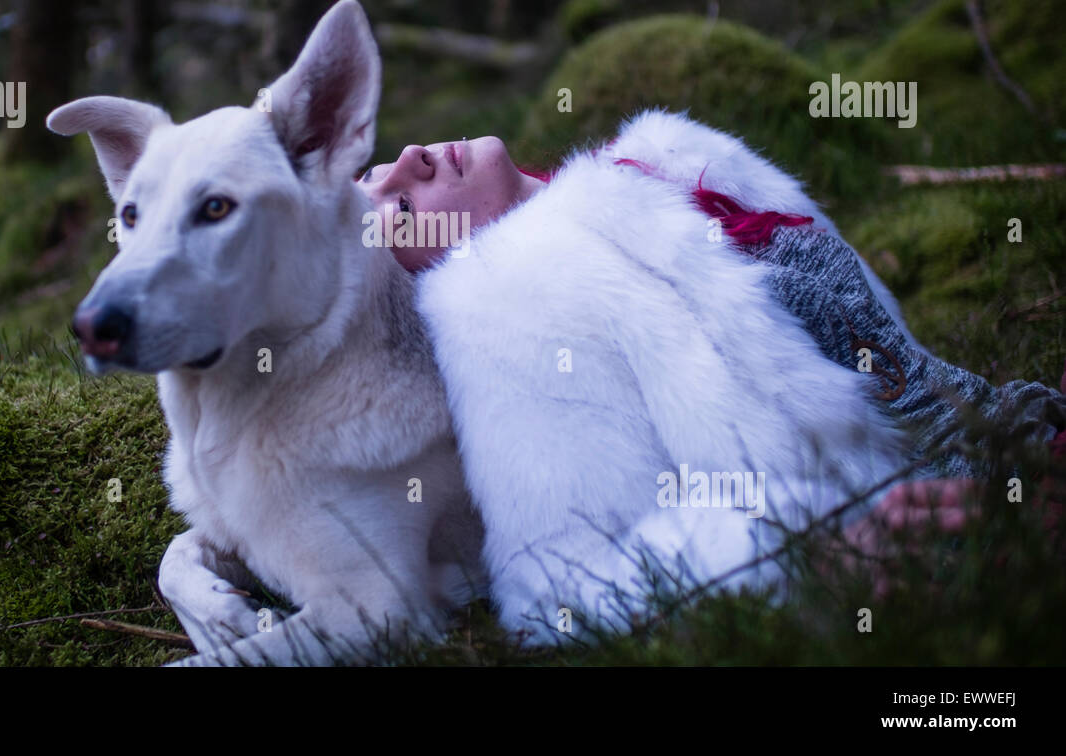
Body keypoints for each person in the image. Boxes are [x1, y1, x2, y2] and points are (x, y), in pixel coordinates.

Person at [358, 113, 1066, 629]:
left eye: (376, 166)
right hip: (943, 525)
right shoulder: (496, 317)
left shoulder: (653, 161)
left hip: (1018, 429)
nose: (411, 157)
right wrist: (809, 559)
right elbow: (557, 585)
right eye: (398, 207)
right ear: (407, 280)